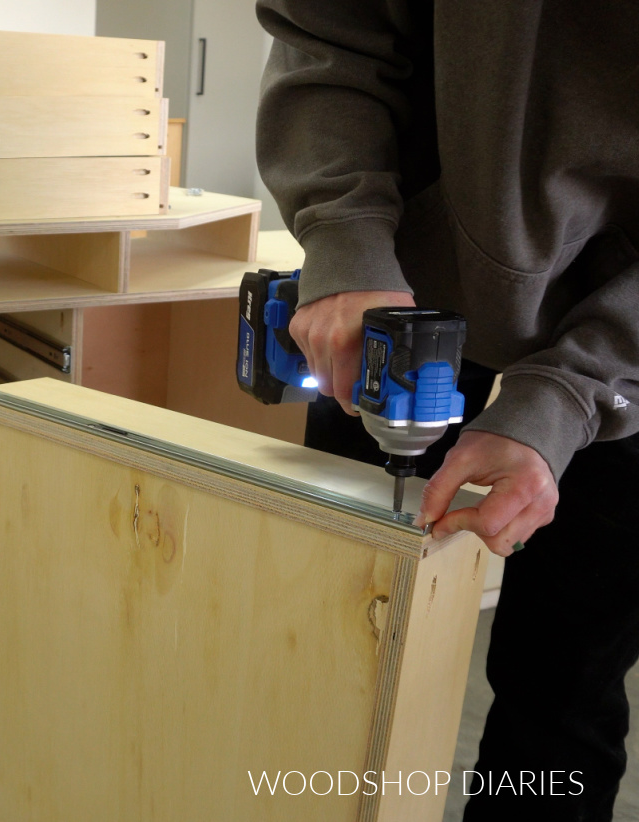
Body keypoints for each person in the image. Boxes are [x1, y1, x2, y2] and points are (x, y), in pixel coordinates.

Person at [254, 2, 639, 819]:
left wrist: (579, 387)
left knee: (559, 704)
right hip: (390, 310)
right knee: (327, 665)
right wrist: (348, 238)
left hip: (628, 361)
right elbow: (332, 38)